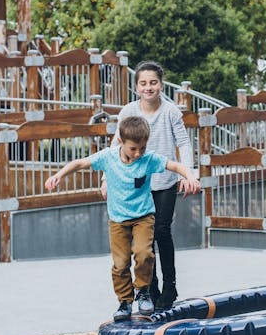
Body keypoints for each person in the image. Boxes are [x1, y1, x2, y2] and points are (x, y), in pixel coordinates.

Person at [45, 116, 200, 321]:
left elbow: (176, 166)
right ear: (121, 142)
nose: (138, 154)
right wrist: (59, 175)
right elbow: (80, 162)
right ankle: (125, 301)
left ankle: (143, 291)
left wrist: (189, 176)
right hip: (118, 220)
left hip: (143, 217)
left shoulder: (148, 159)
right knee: (120, 263)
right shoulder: (108, 157)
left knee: (144, 253)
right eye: (133, 149)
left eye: (142, 148)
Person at [102, 60, 196, 310]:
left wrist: (188, 174)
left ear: (161, 85)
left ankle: (170, 285)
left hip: (164, 181)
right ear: (136, 87)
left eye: (153, 82)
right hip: (137, 184)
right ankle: (149, 289)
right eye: (143, 83)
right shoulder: (128, 111)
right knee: (144, 240)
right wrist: (105, 179)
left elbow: (184, 143)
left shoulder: (171, 111)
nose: (148, 87)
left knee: (162, 232)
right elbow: (115, 145)